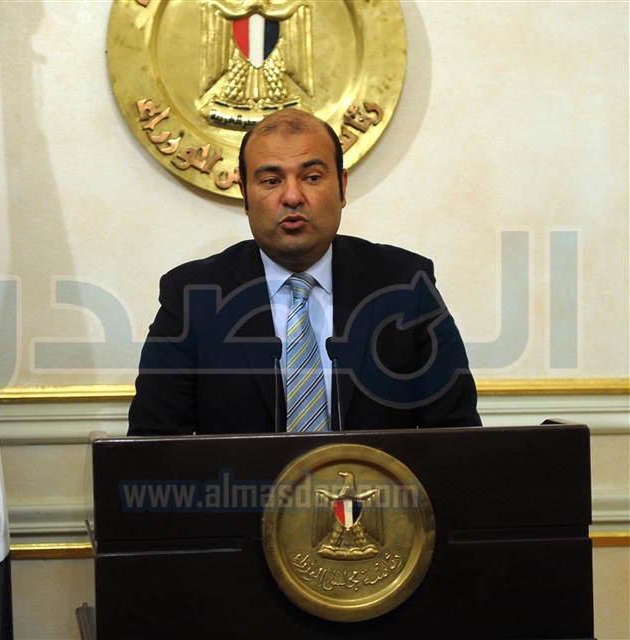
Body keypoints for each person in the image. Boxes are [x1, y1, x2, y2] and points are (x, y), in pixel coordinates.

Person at [128, 109, 480, 436]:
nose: (293, 196)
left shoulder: (406, 285)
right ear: (245, 194)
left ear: (342, 187)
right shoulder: (191, 297)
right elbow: (154, 446)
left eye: (312, 177)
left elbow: (457, 440)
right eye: (271, 181)